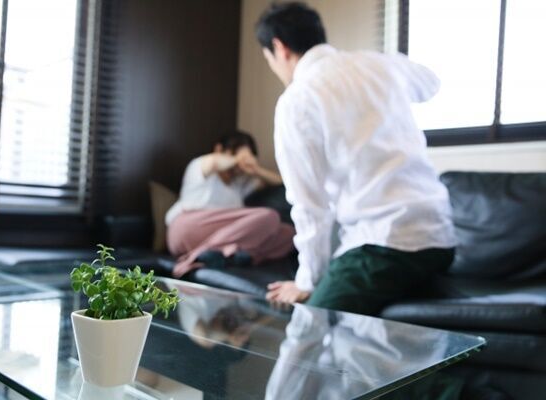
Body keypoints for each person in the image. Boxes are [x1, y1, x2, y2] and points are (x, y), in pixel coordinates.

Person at [257, 3, 457, 315]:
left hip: (386, 244)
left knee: (312, 326)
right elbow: (431, 83)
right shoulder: (378, 64)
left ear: (279, 48)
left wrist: (307, 281)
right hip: (441, 241)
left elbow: (310, 205)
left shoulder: (298, 100)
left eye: (268, 59)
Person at [166, 130, 295, 277]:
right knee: (270, 216)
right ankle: (198, 257)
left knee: (288, 233)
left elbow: (282, 182)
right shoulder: (200, 167)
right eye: (236, 155)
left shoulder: (240, 186)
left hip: (221, 238)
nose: (240, 165)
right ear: (219, 149)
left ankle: (231, 256)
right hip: (186, 228)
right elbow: (214, 162)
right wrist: (238, 159)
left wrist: (256, 170)